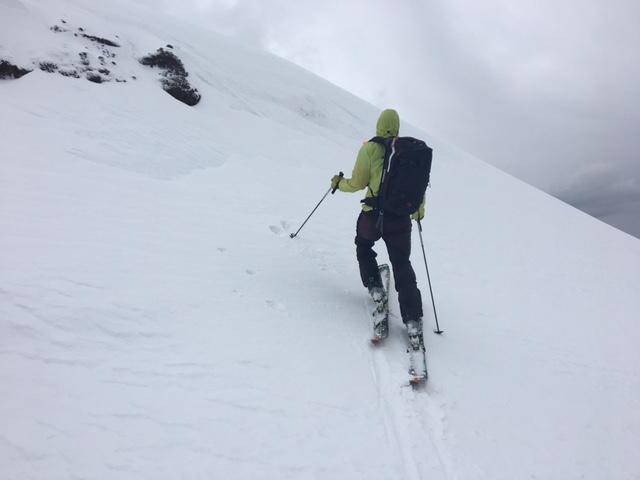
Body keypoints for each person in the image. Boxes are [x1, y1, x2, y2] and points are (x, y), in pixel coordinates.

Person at [331, 109, 425, 336]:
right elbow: (417, 189)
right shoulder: (410, 153)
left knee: (363, 246)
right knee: (402, 263)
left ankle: (374, 287)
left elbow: (356, 183)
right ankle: (412, 319)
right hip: (400, 221)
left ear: (379, 125)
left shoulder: (370, 148)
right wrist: (418, 214)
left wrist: (338, 183)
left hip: (372, 216)